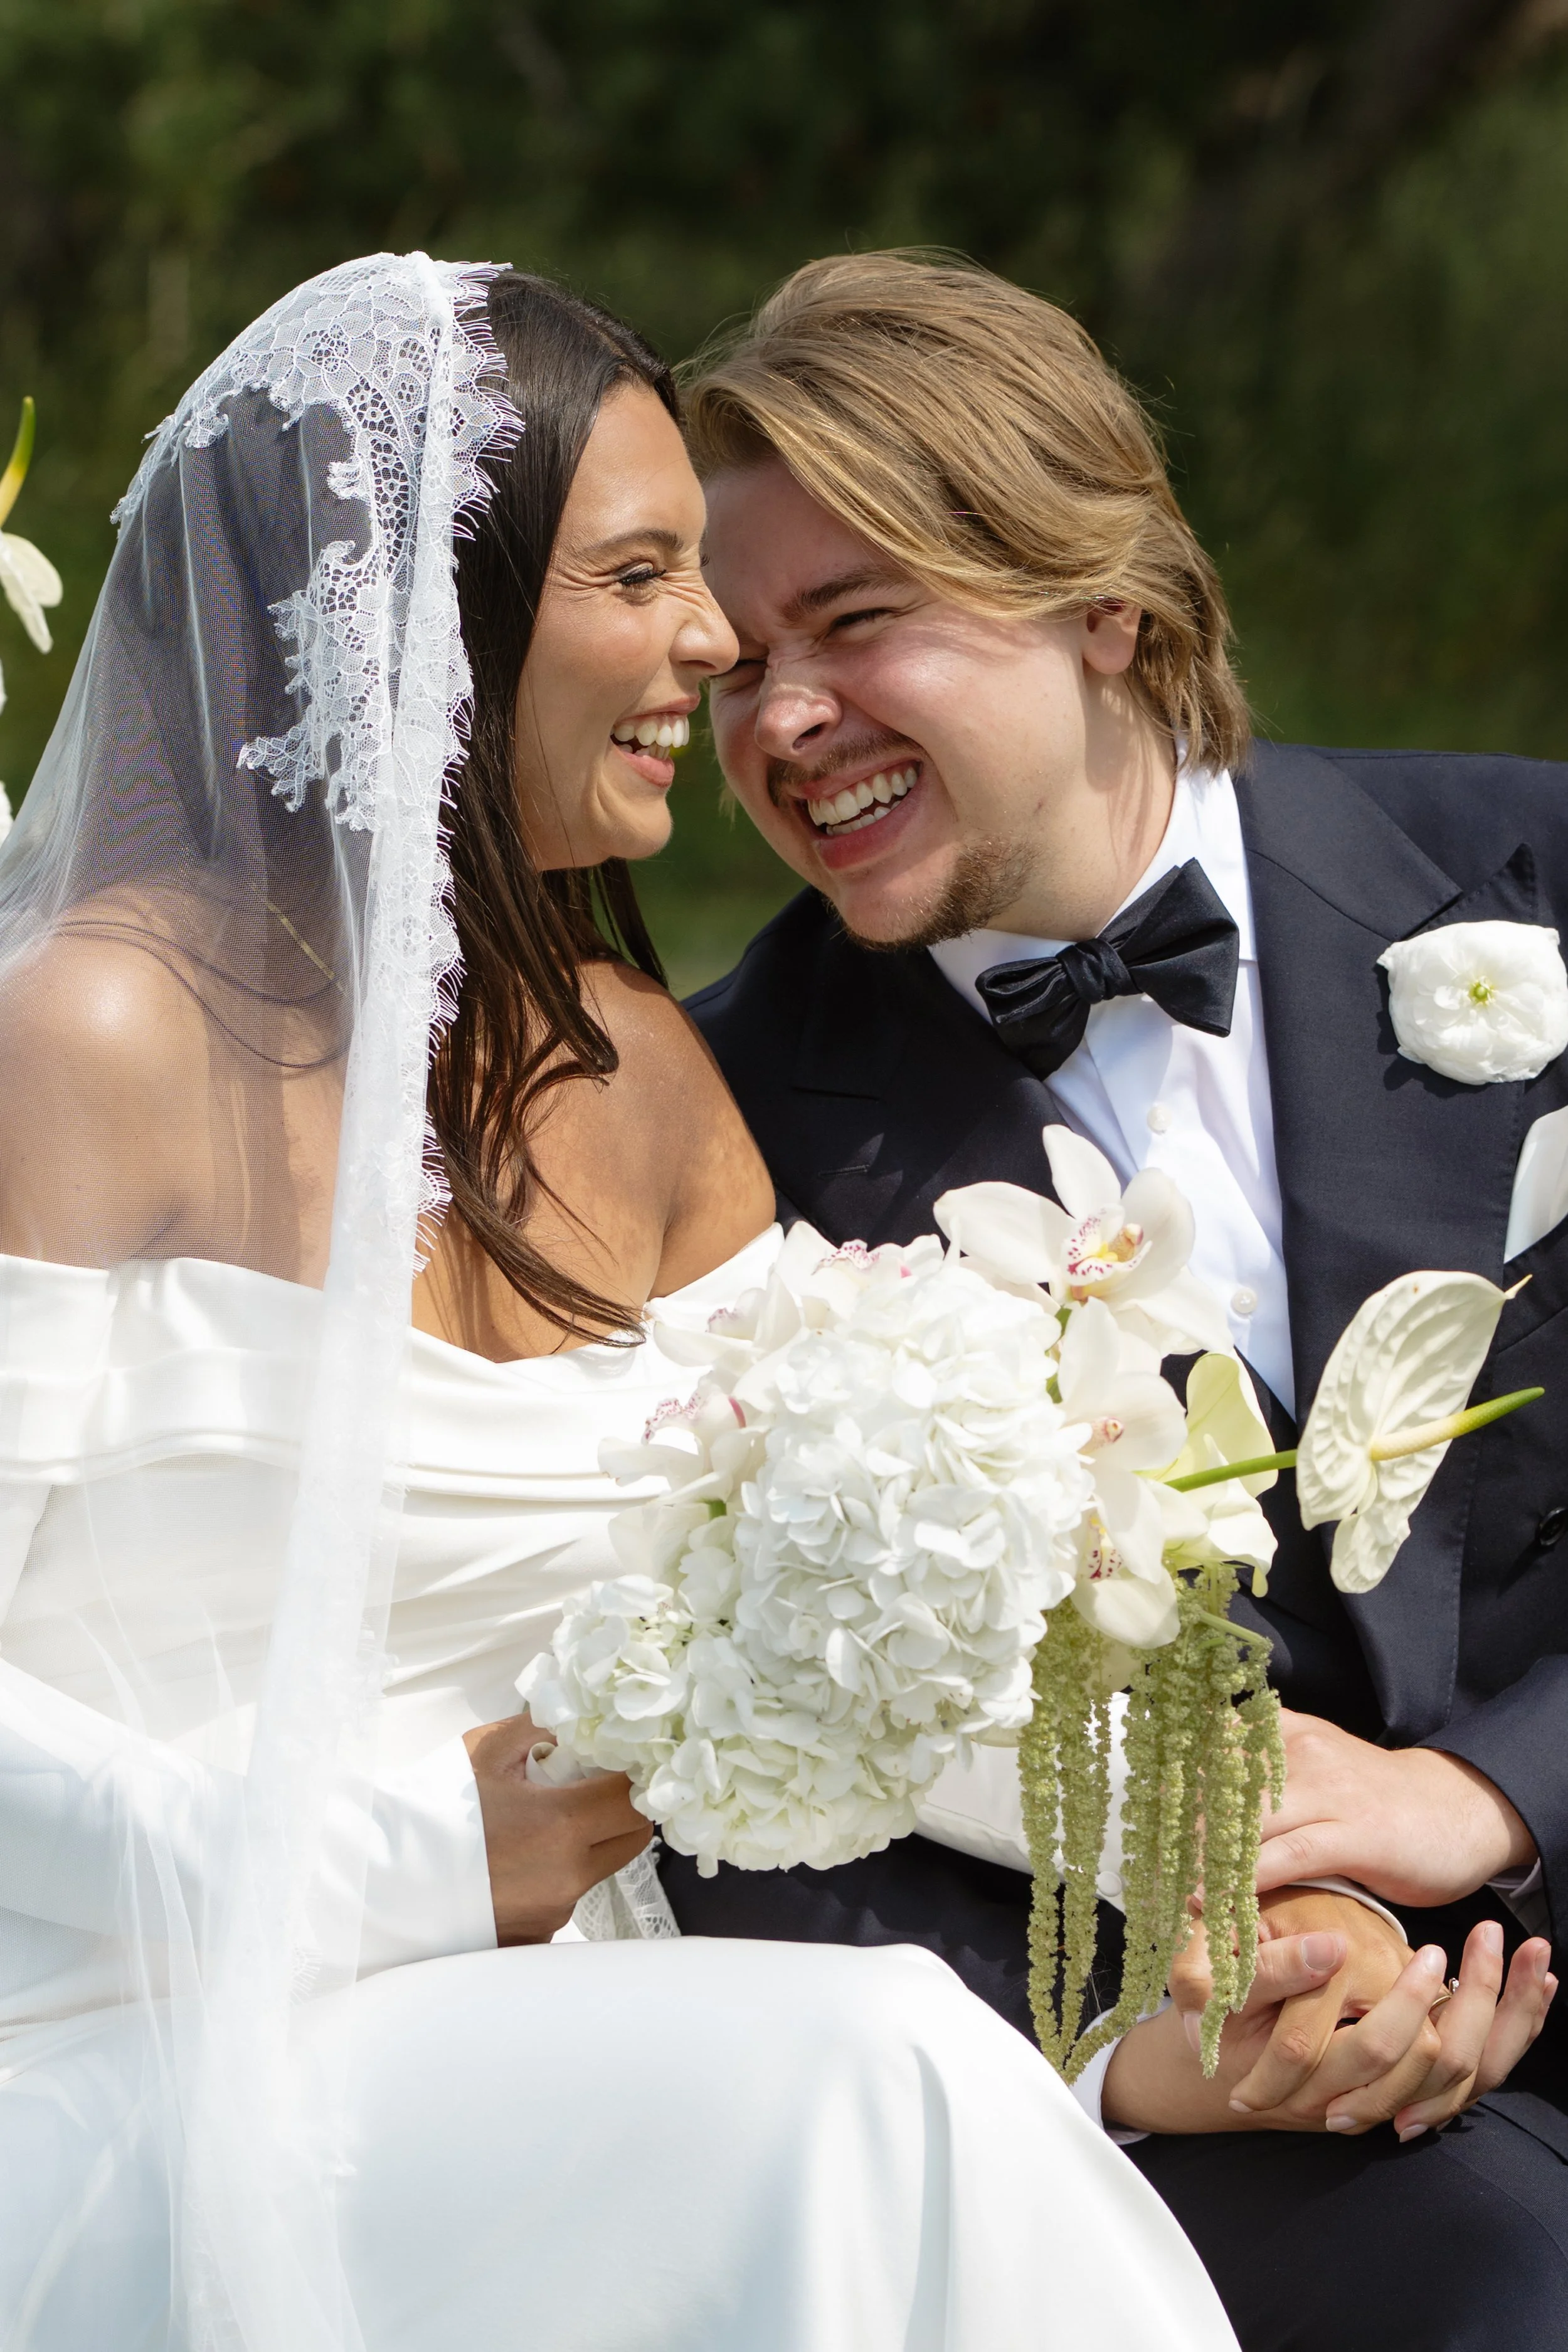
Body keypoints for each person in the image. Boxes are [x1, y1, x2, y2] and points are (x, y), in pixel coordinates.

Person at [0, 252, 1246, 2352]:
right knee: (882, 2081)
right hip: (123, 2046)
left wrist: (1250, 1890)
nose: (712, 647)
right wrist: (395, 1854)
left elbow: (857, 1615)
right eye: (645, 574)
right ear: (433, 616)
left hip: (557, 2038)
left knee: (874, 2075)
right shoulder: (95, 1035)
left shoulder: (634, 1071)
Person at [681, 249, 1568, 2352]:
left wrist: (1497, 1793)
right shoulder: (723, 1139)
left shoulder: (1536, 887)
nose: (781, 720)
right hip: (1252, 2110)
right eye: (736, 659)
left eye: (855, 620)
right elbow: (736, 1783)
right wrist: (1145, 2044)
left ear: (1109, 605)